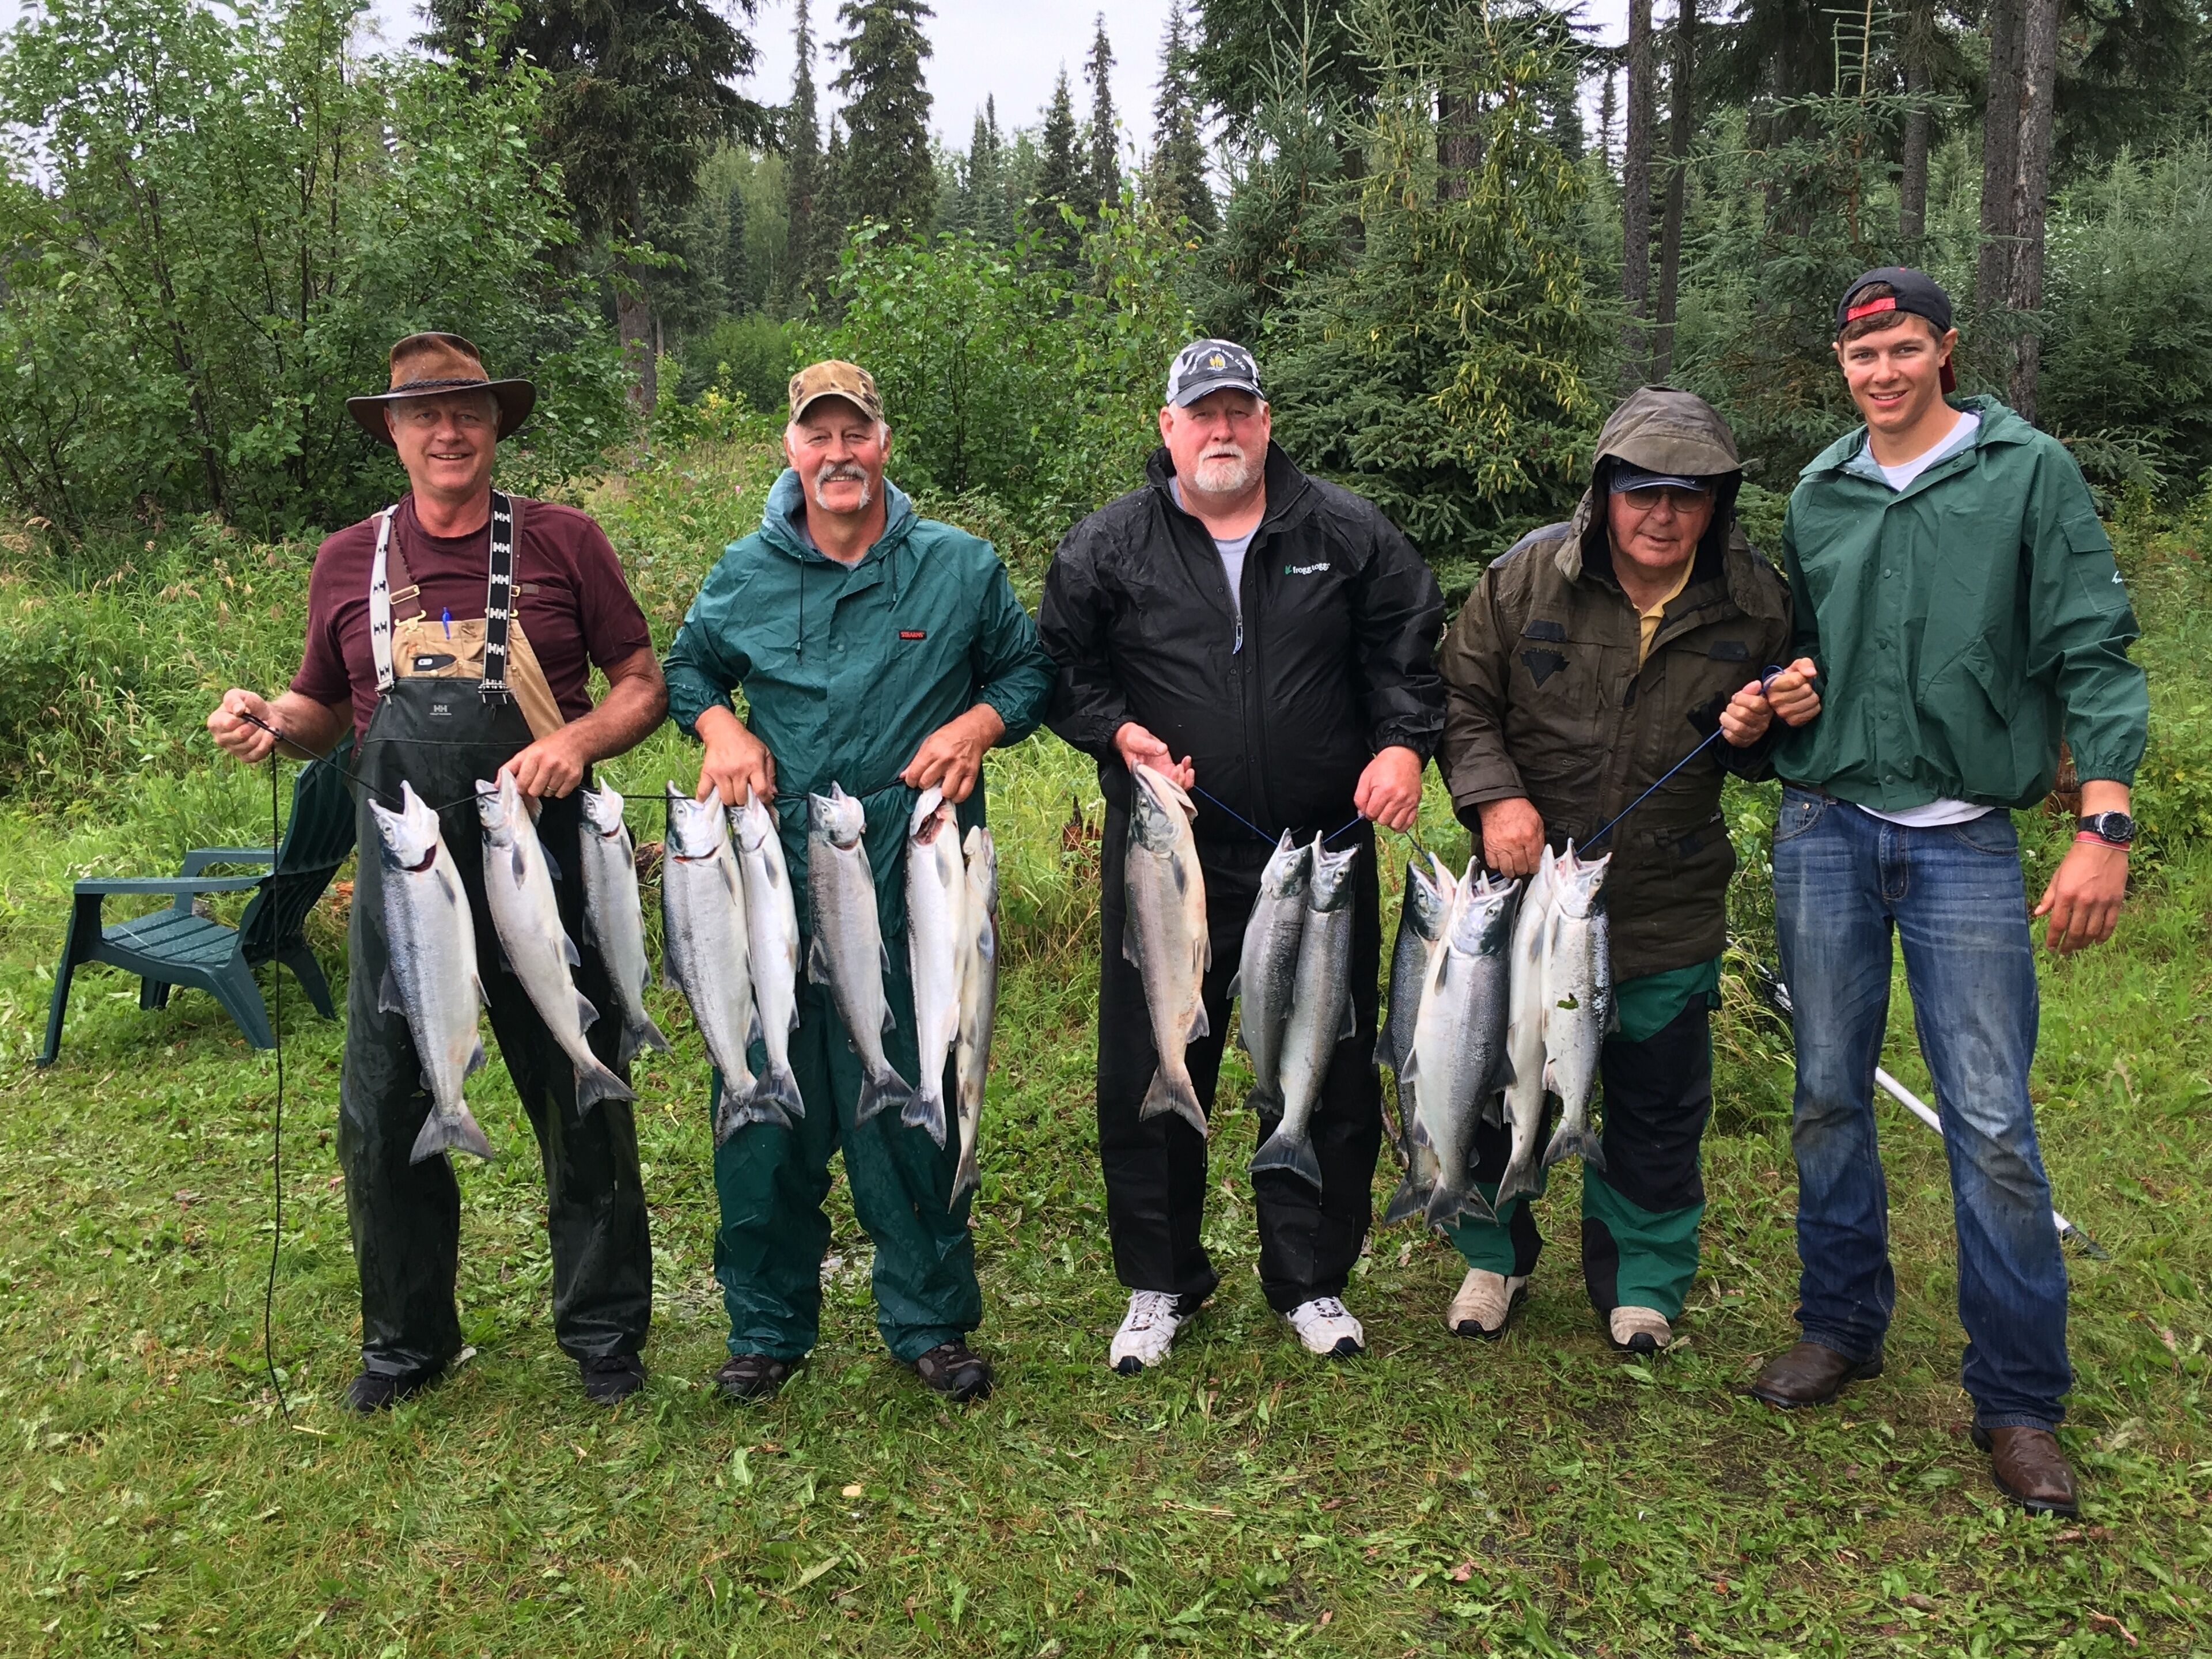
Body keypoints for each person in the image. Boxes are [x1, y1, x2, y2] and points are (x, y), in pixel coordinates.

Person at [1748, 268, 2147, 1518]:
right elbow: (1792, 651)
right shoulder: (1819, 492)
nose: (1884, 374)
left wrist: (2106, 824)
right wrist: (1785, 693)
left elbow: (2094, 646)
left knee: (1989, 1120)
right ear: (1842, 364)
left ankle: (2020, 1401)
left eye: (1906, 350)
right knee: (1825, 1093)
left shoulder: (2026, 475)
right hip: (1825, 824)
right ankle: (1841, 1322)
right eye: (1863, 357)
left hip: (1967, 838)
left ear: (1946, 352)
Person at [208, 332, 669, 1411]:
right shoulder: (345, 559)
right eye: (424, 413)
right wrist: (273, 722)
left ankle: (604, 1336)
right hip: (407, 883)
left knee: (579, 1091)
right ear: (395, 434)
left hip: (542, 862)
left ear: (497, 426)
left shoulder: (565, 543)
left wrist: (578, 743)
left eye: (467, 410)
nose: (448, 430)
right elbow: (327, 716)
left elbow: (643, 683)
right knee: (382, 1109)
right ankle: (407, 1343)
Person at [1039, 338, 1445, 1372]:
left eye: (1241, 413)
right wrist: (1115, 734)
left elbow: (1409, 650)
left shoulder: (1347, 532)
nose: (1223, 432)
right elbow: (1063, 669)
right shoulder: (1108, 546)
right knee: (1155, 1060)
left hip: (1318, 856)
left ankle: (1310, 1279)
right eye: (1201, 414)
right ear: (1167, 428)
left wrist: (1402, 744)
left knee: (1326, 1058)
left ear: (1267, 423)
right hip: (1167, 854)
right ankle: (1161, 1280)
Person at [661, 360, 1054, 1406]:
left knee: (913, 1086)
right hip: (773, 866)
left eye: (856, 434)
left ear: (884, 443)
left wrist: (977, 724)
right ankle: (767, 1326)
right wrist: (721, 726)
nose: (838, 454)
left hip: (912, 856)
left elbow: (1029, 671)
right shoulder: (744, 571)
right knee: (760, 1091)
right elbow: (686, 669)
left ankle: (929, 1318)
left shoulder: (959, 566)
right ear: (790, 450)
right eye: (816, 436)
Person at [1434, 387, 1812, 1354]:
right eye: (1642, 491)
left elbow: (1769, 756)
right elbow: (1460, 698)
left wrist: (1758, 731)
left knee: (1655, 1107)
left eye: (1689, 496)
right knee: (1485, 1080)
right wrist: (1493, 799)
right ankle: (1492, 1253)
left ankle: (1641, 1280)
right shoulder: (1525, 580)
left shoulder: (1758, 601)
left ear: (1717, 504)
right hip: (1518, 902)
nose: (1664, 514)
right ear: (1603, 492)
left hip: (1664, 903)